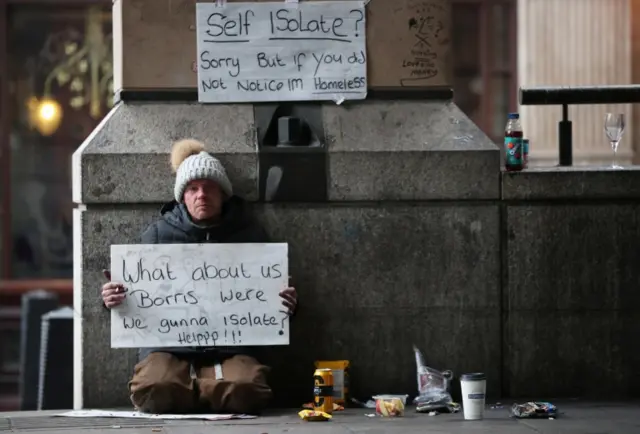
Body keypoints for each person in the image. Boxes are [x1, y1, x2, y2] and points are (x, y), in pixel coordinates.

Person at [101, 139, 298, 415]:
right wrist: (113, 298)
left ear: (223, 194)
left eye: (209, 187)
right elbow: (135, 297)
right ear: (182, 196)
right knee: (153, 388)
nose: (201, 195)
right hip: (170, 347)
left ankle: (191, 389)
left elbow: (269, 298)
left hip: (232, 346)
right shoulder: (156, 235)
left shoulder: (250, 235)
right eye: (193, 189)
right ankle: (210, 389)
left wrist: (288, 303)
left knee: (247, 390)